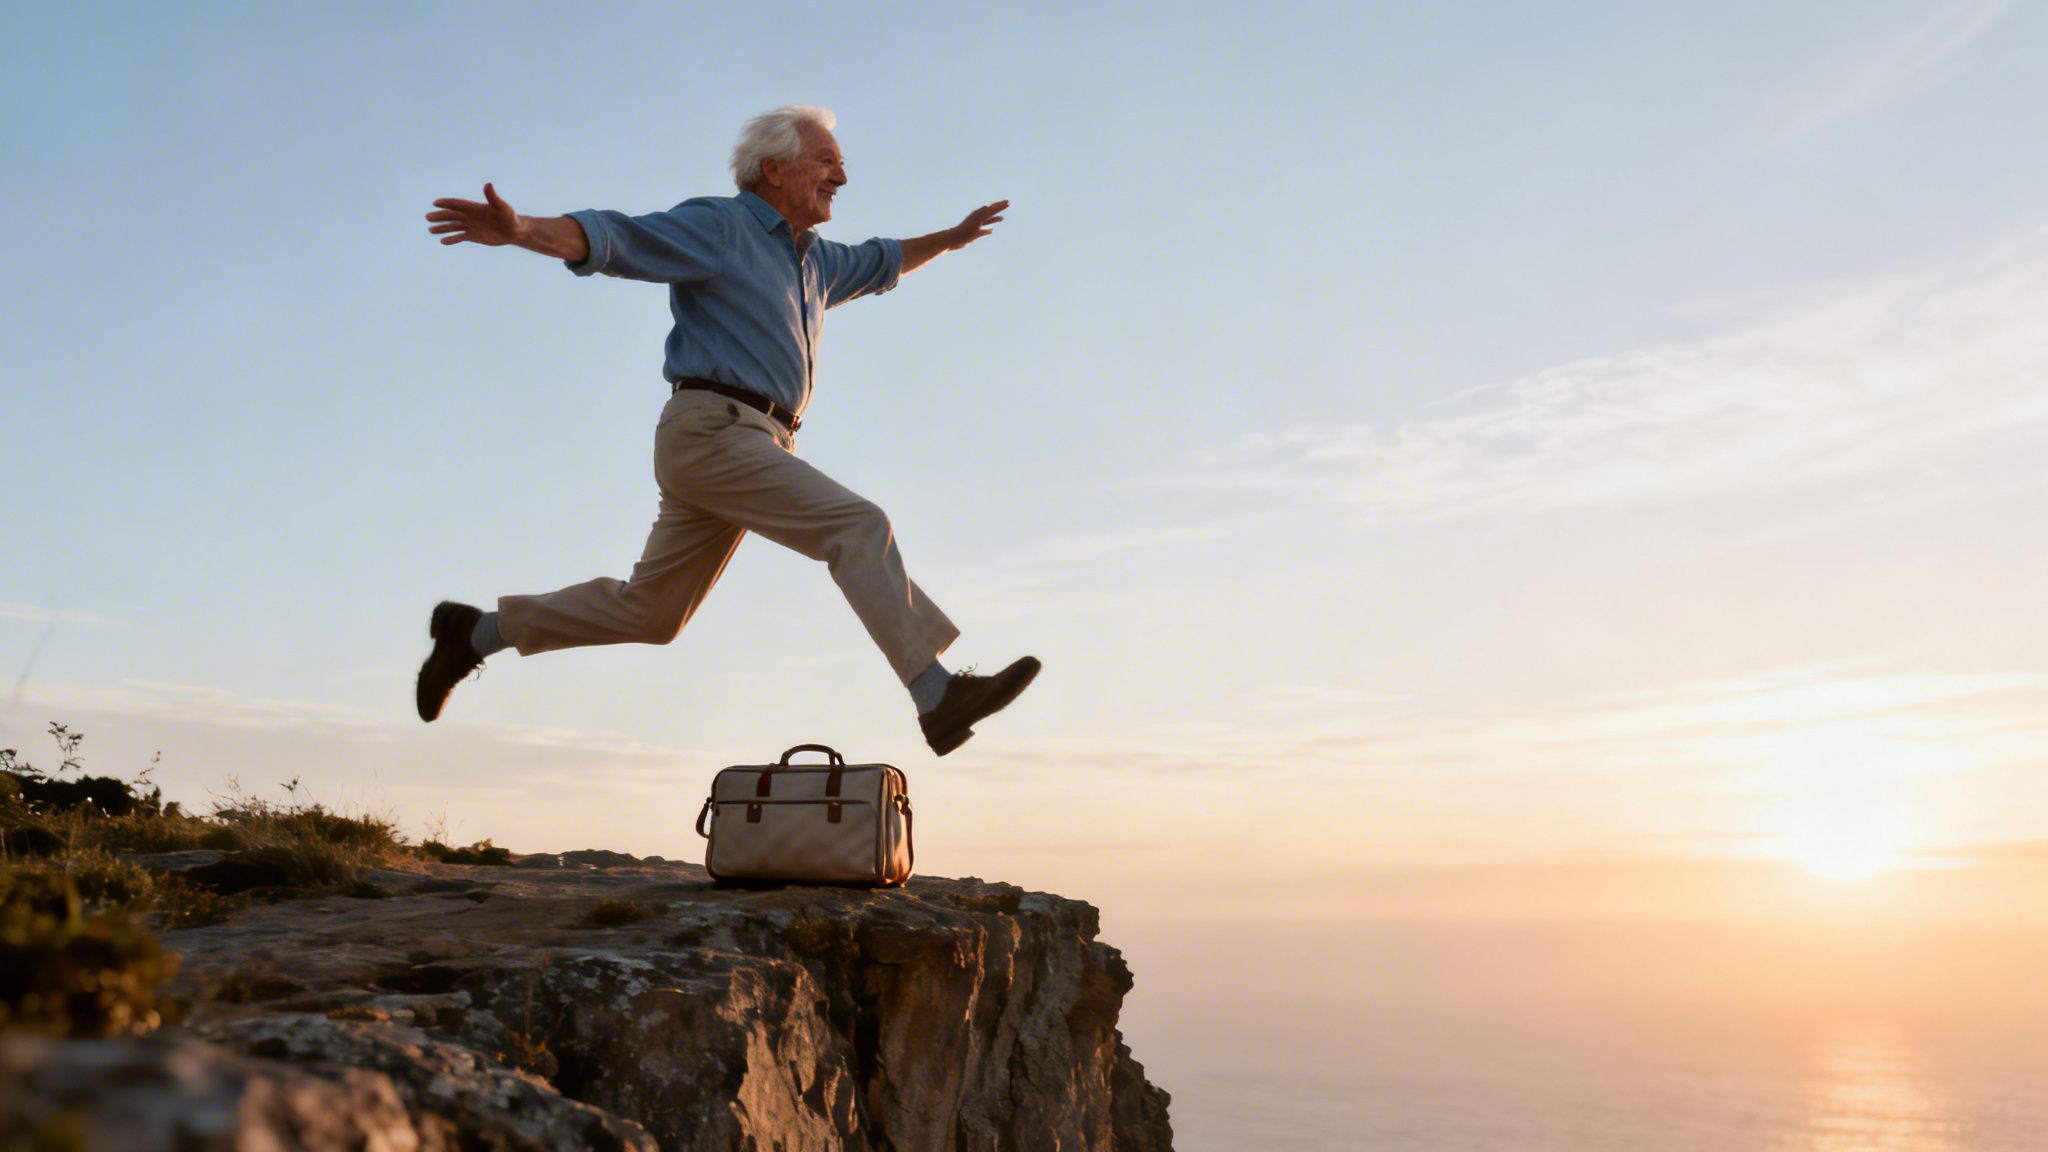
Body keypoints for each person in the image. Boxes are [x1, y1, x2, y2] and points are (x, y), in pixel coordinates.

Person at [415, 105, 1038, 756]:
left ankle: (476, 633)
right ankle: (936, 693)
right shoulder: (723, 226)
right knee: (858, 526)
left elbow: (884, 261)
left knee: (653, 615)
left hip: (751, 442)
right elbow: (617, 238)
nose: (842, 179)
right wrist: (522, 231)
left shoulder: (816, 265)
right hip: (713, 430)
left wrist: (953, 238)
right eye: (827, 162)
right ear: (773, 168)